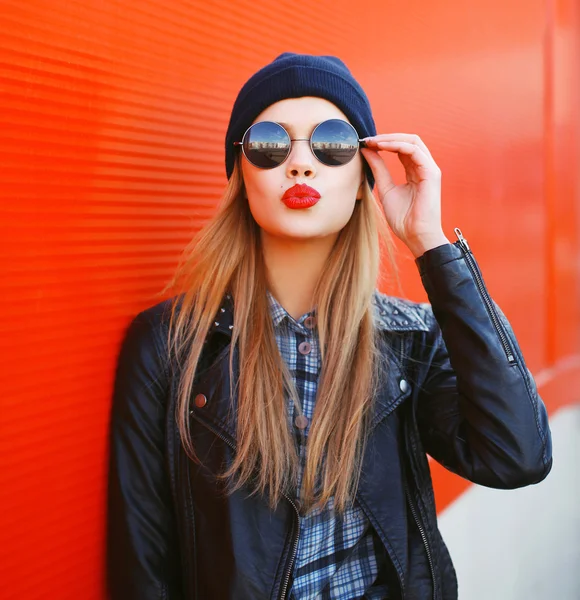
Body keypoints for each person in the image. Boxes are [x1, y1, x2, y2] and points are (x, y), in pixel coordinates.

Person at [106, 52, 553, 600]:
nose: (300, 165)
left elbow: (517, 457)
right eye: (271, 144)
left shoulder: (410, 339)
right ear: (241, 174)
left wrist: (431, 245)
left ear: (364, 177)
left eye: (333, 144)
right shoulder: (171, 345)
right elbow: (143, 567)